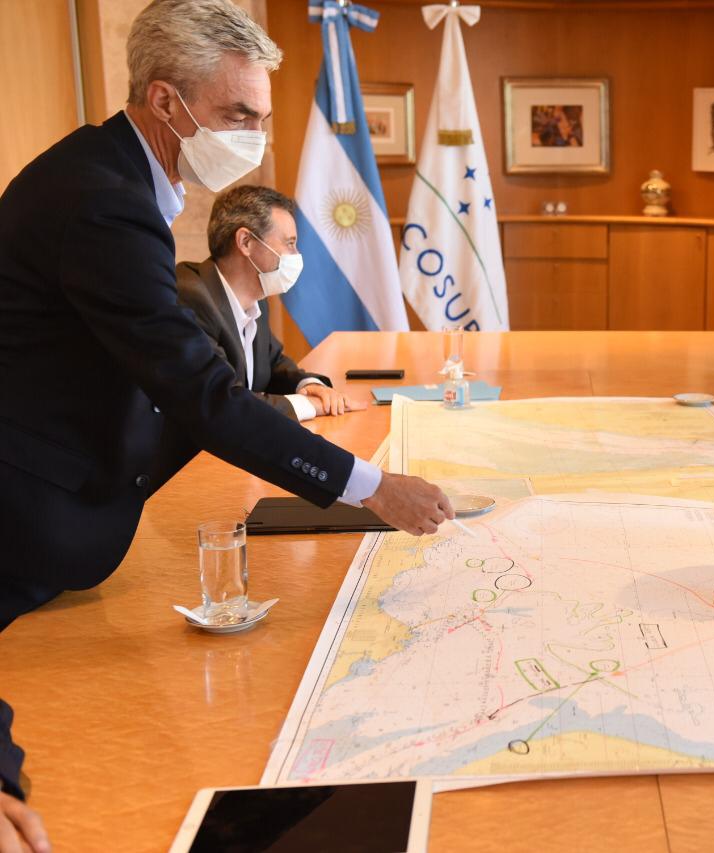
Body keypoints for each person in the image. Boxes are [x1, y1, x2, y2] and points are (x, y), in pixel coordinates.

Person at [0, 1, 452, 840]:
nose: (254, 137)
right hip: (28, 528)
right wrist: (370, 486)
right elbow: (200, 392)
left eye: (262, 116)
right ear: (165, 101)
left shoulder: (119, 178)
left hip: (74, 517)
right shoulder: (102, 200)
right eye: (238, 114)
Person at [150, 186, 366, 489]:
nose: (296, 256)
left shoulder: (255, 298)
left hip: (231, 465)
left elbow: (273, 362)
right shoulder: (189, 296)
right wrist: (309, 406)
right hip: (181, 478)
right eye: (289, 243)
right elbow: (224, 400)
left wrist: (311, 386)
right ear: (246, 242)